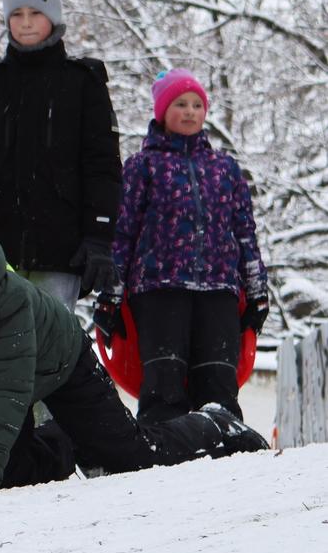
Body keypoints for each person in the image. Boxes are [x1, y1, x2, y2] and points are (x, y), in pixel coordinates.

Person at [0, 230, 268, 497]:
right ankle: (65, 442)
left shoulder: (10, 302)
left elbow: (6, 392)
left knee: (133, 458)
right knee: (9, 476)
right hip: (0, 384)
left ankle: (216, 423)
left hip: (61, 364)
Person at [0, 0, 123, 313]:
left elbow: (101, 166)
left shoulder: (83, 84)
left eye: (36, 12)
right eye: (17, 13)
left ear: (53, 18)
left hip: (61, 247)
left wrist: (99, 236)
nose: (25, 22)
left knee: (49, 353)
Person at [97, 69, 270, 425]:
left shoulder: (226, 169)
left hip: (218, 287)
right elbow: (123, 234)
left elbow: (245, 233)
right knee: (164, 380)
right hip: (160, 289)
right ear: (162, 111)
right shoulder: (143, 166)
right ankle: (164, 444)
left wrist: (256, 293)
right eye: (180, 104)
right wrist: (110, 297)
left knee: (218, 380)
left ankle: (223, 439)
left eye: (197, 104)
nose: (190, 111)